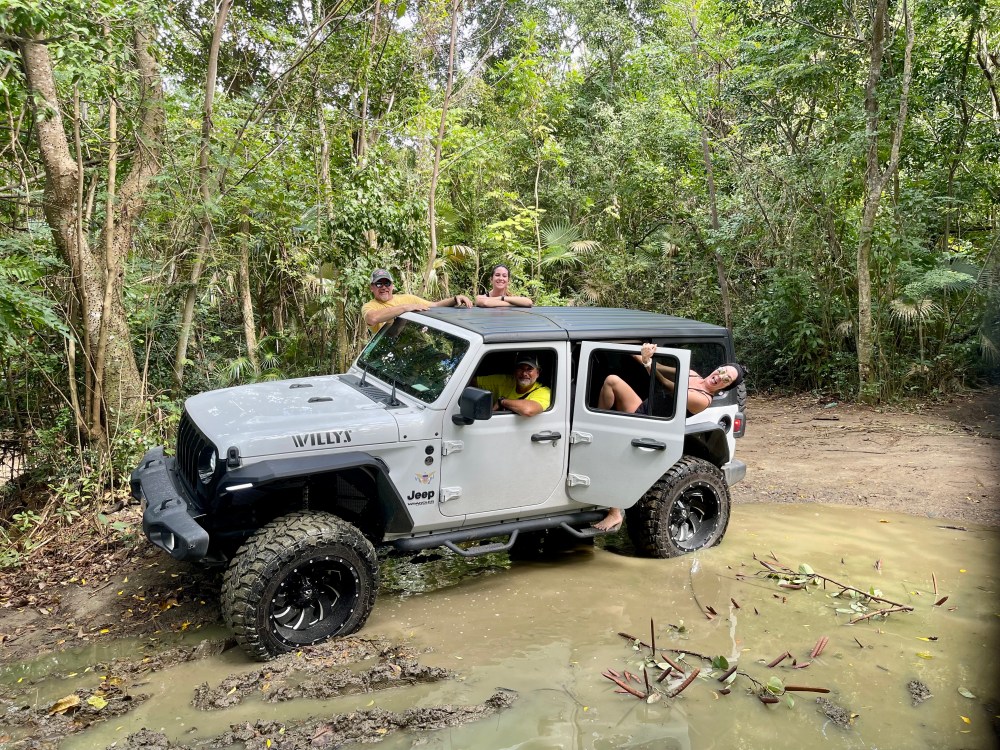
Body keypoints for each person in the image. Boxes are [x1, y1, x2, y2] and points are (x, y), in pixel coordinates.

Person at [592, 345, 745, 532]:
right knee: (612, 380)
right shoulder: (693, 375)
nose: (720, 376)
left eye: (726, 379)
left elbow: (667, 386)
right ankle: (599, 425)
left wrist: (648, 365)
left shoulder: (703, 399)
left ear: (725, 387)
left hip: (653, 426)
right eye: (723, 371)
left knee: (616, 455)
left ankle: (615, 512)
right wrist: (637, 351)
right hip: (644, 410)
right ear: (718, 368)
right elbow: (660, 366)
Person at [362, 269, 472, 335]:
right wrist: (404, 308)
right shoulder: (370, 306)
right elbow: (372, 318)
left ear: (392, 285)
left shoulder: (408, 298)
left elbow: (435, 305)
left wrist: (455, 299)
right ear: (372, 287)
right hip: (388, 353)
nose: (383, 287)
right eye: (378, 284)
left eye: (387, 283)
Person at [474, 353, 550, 417]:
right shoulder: (504, 381)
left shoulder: (544, 392)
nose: (524, 373)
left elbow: (528, 410)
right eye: (520, 368)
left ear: (538, 373)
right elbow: (470, 382)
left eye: (529, 369)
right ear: (514, 370)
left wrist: (502, 401)